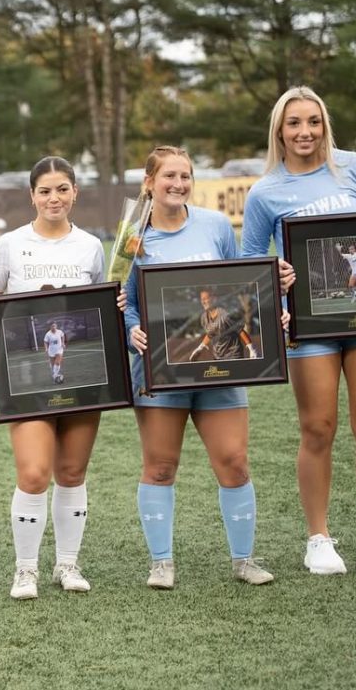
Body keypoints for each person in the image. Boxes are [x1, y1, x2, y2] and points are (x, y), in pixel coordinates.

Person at [242, 86, 356, 575]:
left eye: (313, 121)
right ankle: (319, 539)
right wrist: (276, 274)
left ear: (324, 124)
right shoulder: (265, 191)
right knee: (317, 427)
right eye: (294, 123)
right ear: (279, 131)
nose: (305, 131)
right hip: (308, 325)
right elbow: (248, 264)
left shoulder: (353, 168)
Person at [125, 146, 282, 590]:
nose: (178, 184)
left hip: (222, 366)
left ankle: (243, 560)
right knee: (160, 466)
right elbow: (123, 303)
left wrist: (276, 300)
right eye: (169, 176)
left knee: (233, 461)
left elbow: (239, 288)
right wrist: (131, 330)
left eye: (185, 176)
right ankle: (161, 563)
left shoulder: (215, 225)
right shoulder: (131, 235)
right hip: (159, 369)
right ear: (149, 182)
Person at [0, 156, 117, 600]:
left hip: (82, 380)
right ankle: (26, 569)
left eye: (62, 189)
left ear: (75, 192)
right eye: (45, 190)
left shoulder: (91, 246)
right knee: (34, 473)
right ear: (32, 195)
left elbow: (104, 303)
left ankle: (68, 565)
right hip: (23, 377)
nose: (54, 198)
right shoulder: (11, 244)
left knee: (72, 472)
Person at [187, 289, 257, 362]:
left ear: (214, 299)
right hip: (217, 357)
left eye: (206, 299)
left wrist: (252, 349)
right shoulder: (204, 317)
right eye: (202, 299)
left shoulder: (225, 315)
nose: (203, 302)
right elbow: (210, 334)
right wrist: (200, 348)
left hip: (233, 356)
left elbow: (240, 331)